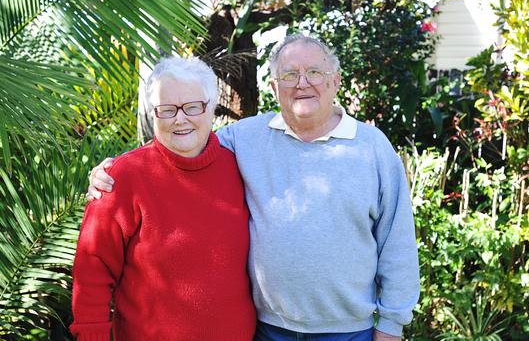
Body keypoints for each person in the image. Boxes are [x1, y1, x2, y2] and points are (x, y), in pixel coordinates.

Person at [87, 34, 419, 341]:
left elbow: (397, 242)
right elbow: (183, 140)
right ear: (274, 87)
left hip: (348, 331)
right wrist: (111, 170)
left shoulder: (371, 148)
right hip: (268, 330)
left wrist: (391, 325)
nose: (302, 84)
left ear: (335, 80)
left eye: (315, 72)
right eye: (289, 75)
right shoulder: (245, 138)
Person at [71, 57, 256, 340]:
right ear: (153, 113)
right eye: (167, 110)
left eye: (193, 107)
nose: (180, 119)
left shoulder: (240, 166)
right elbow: (92, 269)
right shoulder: (123, 176)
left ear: (212, 107)